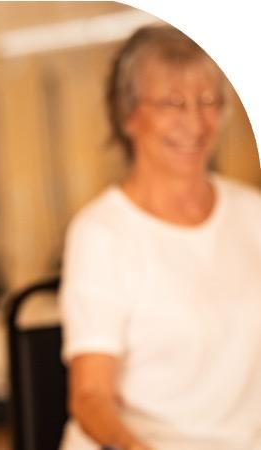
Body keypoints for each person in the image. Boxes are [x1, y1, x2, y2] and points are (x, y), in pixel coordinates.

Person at [60, 25, 261, 450]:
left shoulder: (252, 213)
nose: (194, 122)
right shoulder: (101, 232)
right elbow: (90, 398)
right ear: (128, 114)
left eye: (208, 101)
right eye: (173, 102)